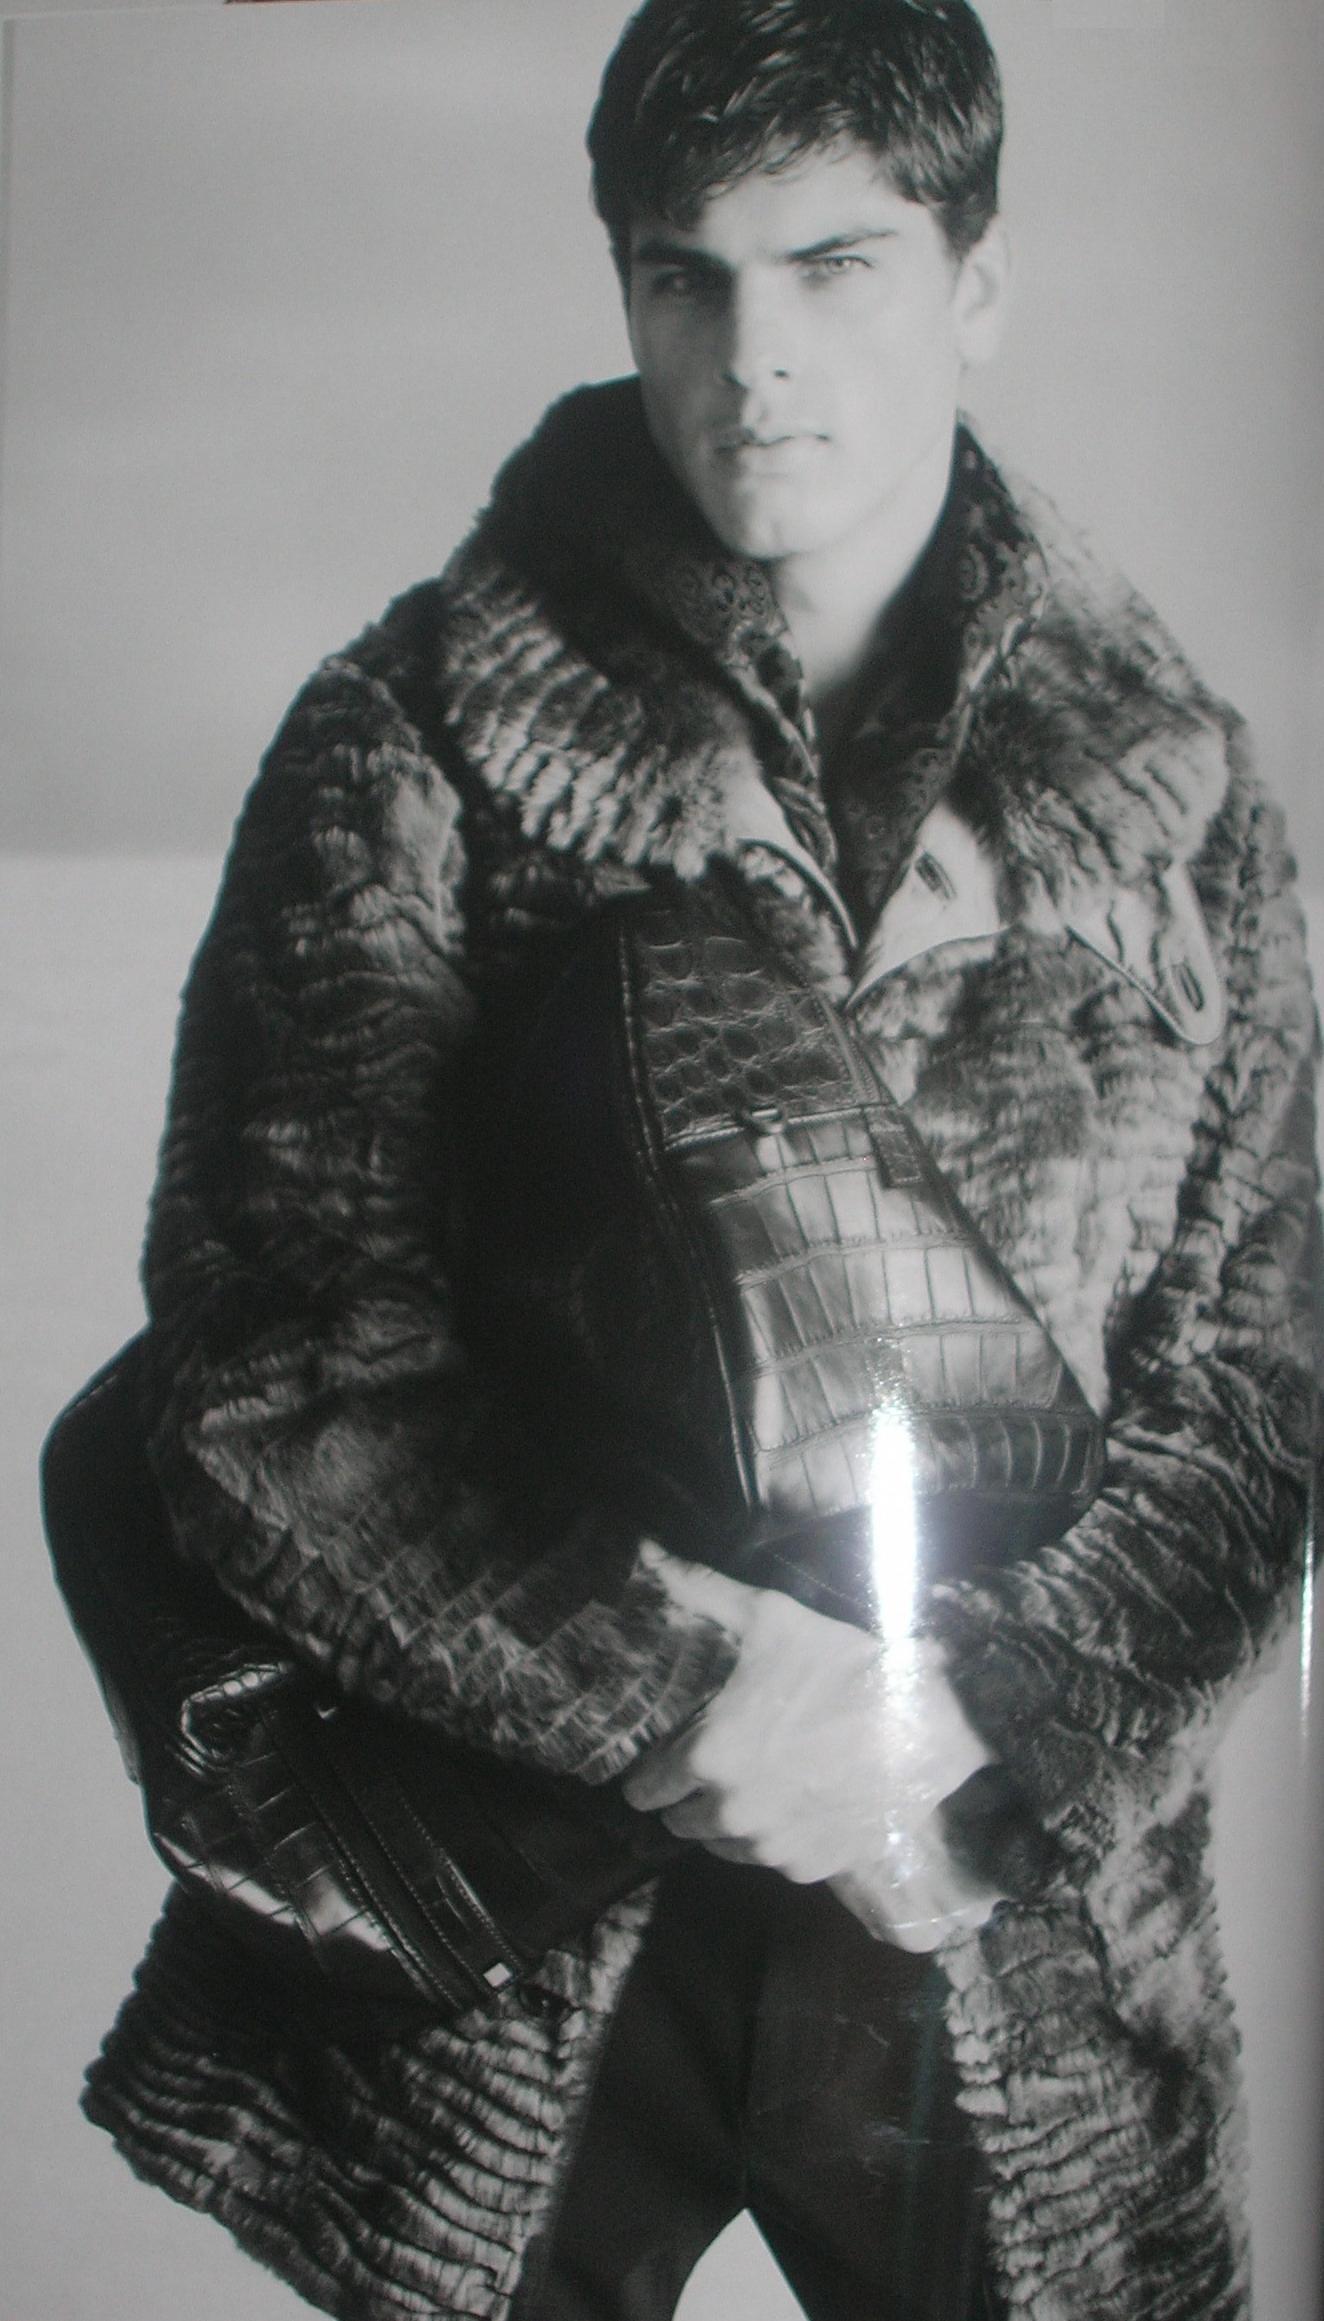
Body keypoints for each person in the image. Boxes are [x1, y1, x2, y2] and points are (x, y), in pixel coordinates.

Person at [78, 4, 1320, 2318]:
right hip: (531, 1955)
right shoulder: (410, 738)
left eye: (833, 265)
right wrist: (699, 1691)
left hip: (998, 1936)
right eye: (686, 275)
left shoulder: (1177, 803)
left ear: (972, 280)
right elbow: (272, 1375)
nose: (751, 356)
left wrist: (967, 1725)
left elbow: (1257, 1398)